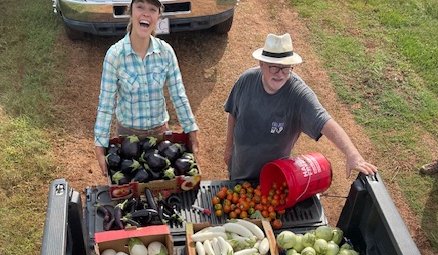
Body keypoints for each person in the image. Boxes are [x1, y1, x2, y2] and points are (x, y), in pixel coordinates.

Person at [224, 33, 377, 181]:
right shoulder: (246, 80)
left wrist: (352, 155)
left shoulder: (298, 94)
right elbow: (233, 113)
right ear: (261, 64)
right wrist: (229, 148)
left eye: (286, 68)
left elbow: (324, 121)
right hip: (239, 169)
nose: (280, 74)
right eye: (274, 68)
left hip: (273, 178)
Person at [94, 0, 199, 176]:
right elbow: (106, 104)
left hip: (160, 135)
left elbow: (178, 94)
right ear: (131, 12)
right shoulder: (115, 55)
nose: (146, 13)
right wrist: (100, 144)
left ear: (158, 16)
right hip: (128, 137)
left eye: (152, 9)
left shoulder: (166, 52)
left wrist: (191, 130)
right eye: (140, 7)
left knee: (161, 186)